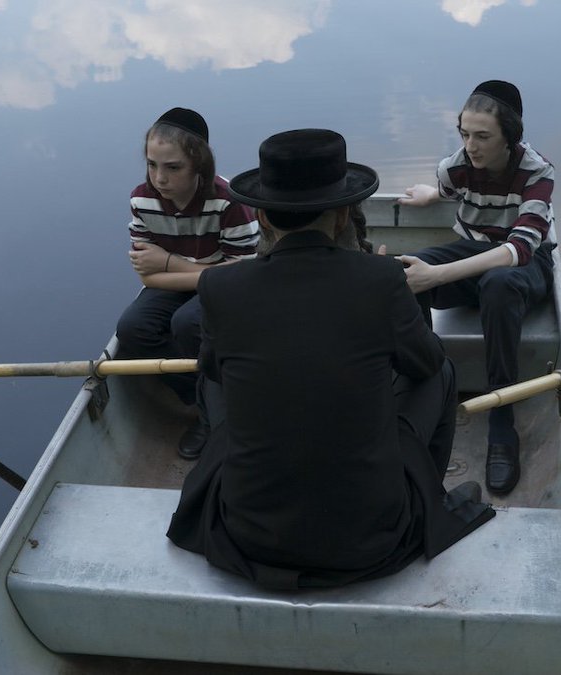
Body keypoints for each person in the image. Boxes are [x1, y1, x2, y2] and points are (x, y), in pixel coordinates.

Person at [166, 129, 494, 589]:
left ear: (262, 217)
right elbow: (423, 365)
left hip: (249, 533)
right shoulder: (381, 279)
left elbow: (218, 371)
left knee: (211, 377)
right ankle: (426, 498)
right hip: (369, 537)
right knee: (440, 372)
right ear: (343, 216)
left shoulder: (220, 287)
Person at [395, 80, 555, 496]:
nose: (471, 146)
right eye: (464, 134)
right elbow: (447, 187)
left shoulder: (537, 171)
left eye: (483, 136)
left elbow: (518, 250)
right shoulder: (456, 166)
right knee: (408, 270)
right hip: (474, 256)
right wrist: (432, 195)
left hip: (524, 266)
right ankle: (424, 389)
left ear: (510, 137)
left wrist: (439, 276)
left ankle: (502, 417)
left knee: (497, 284)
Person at [116, 107, 260, 459]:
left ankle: (215, 416)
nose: (160, 178)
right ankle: (205, 398)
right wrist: (205, 271)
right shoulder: (142, 200)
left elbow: (242, 276)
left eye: (173, 167)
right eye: (152, 165)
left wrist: (168, 262)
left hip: (225, 289)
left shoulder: (228, 202)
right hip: (183, 282)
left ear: (199, 165)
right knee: (132, 330)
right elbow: (145, 275)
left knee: (188, 323)